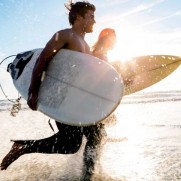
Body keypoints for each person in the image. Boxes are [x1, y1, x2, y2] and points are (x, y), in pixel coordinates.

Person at [0, 2, 103, 180]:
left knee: (97, 134)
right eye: (91, 16)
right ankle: (23, 148)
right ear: (78, 17)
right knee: (70, 144)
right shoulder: (65, 35)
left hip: (78, 99)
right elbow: (42, 60)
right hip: (63, 98)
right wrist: (33, 91)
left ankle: (88, 176)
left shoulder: (84, 43)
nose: (94, 20)